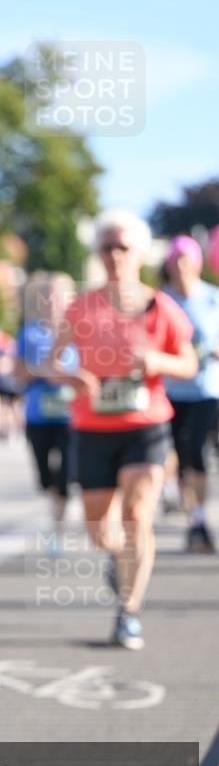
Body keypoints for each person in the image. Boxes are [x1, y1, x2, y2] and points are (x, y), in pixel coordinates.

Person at [47, 210, 197, 650]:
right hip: (93, 427)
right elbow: (51, 361)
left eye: (123, 247)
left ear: (139, 255)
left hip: (145, 425)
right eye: (106, 247)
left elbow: (188, 362)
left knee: (137, 516)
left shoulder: (160, 306)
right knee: (99, 530)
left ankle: (128, 611)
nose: (114, 255)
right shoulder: (82, 307)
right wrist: (71, 377)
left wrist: (157, 362)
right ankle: (117, 558)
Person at [162, 235, 219, 553]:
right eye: (176, 260)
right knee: (179, 457)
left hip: (206, 390)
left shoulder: (213, 298)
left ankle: (198, 518)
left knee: (196, 451)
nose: (181, 267)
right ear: (168, 265)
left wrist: (212, 350)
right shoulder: (161, 300)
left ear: (197, 263)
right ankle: (193, 517)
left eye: (186, 260)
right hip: (171, 391)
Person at [14, 272, 77, 548]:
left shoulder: (80, 330)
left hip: (70, 417)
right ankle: (55, 501)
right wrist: (43, 371)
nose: (54, 301)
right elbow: (17, 372)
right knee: (44, 478)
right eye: (50, 294)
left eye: (61, 294)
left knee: (64, 476)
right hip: (38, 416)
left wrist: (66, 376)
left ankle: (57, 530)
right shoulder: (29, 332)